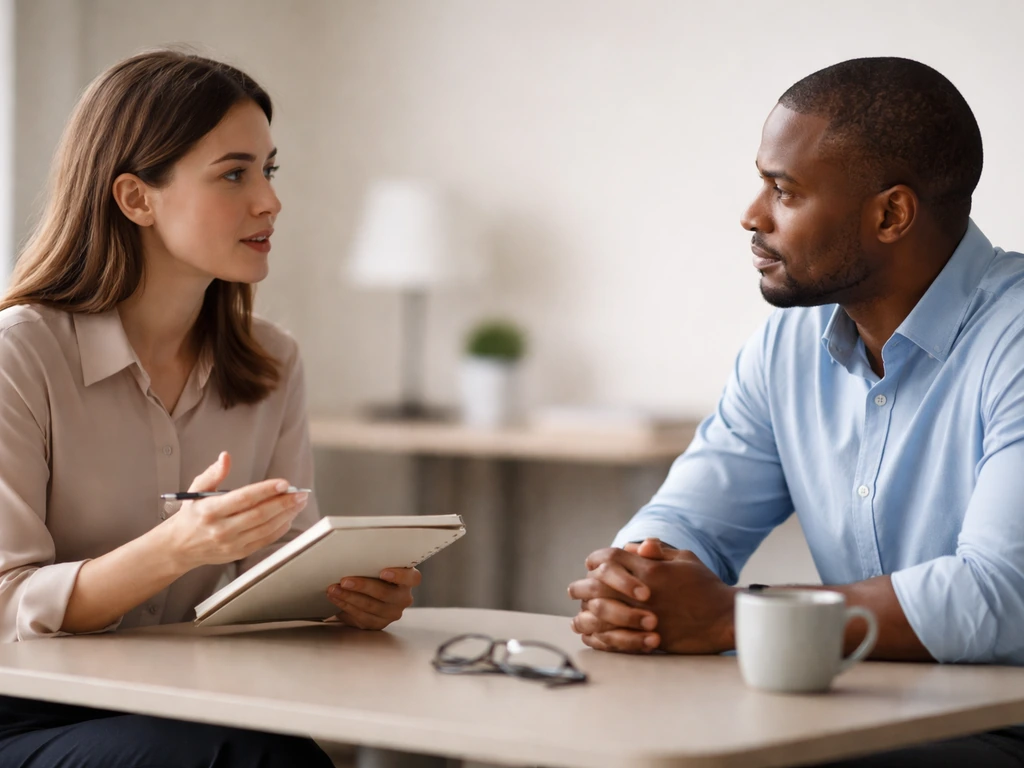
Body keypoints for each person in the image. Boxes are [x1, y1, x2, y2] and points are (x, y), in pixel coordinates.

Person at [569, 56, 1024, 766]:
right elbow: (689, 518)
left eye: (784, 191)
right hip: (845, 711)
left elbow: (1001, 594)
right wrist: (641, 580)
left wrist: (734, 615)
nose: (752, 215)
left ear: (891, 213)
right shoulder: (788, 342)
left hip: (997, 730)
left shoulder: (1016, 338)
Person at [0, 50, 419, 767]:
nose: (270, 201)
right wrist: (176, 550)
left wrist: (339, 594)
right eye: (234, 173)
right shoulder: (20, 357)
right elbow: (5, 606)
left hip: (184, 701)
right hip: (22, 716)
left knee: (269, 752)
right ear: (136, 198)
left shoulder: (271, 361)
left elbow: (278, 576)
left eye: (269, 170)